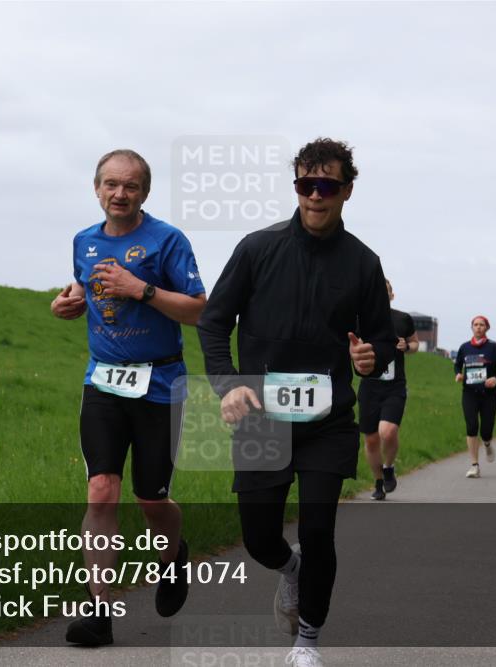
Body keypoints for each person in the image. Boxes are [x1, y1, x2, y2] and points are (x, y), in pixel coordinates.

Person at [197, 138, 397, 667]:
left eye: (326, 186)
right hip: (263, 418)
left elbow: (381, 340)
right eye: (306, 185)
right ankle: (290, 570)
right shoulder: (257, 249)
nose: (315, 196)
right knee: (260, 537)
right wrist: (227, 383)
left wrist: (369, 359)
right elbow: (215, 322)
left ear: (346, 191)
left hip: (327, 420)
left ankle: (307, 640)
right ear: (297, 189)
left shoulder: (363, 263)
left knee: (318, 528)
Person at [51, 149, 207, 646]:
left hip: (160, 385)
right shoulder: (84, 241)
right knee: (101, 490)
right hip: (103, 383)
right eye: (111, 185)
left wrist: (141, 290)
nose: (120, 194)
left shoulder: (168, 241)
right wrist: (68, 303)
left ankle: (173, 555)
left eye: (131, 186)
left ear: (145, 192)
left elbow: (200, 310)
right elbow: (86, 288)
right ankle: (99, 612)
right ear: (96, 188)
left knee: (150, 498)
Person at [358, 280, 418, 500]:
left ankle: (389, 466)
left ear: (392, 296)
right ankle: (378, 481)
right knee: (371, 439)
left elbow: (415, 344)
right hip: (370, 387)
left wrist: (406, 347)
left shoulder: (403, 319)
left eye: (386, 293)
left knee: (388, 431)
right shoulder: (362, 320)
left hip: (394, 386)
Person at [453, 315, 496, 478]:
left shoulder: (493, 347)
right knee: (471, 427)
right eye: (475, 325)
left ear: (487, 328)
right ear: (471, 327)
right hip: (469, 393)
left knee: (486, 430)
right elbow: (458, 364)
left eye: (482, 325)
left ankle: (487, 443)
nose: (478, 327)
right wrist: (458, 373)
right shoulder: (464, 347)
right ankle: (474, 465)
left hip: (489, 395)